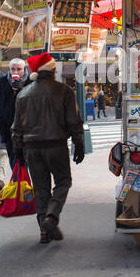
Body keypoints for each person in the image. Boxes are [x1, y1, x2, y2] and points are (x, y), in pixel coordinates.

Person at [11, 52, 84, 243]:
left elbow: (17, 127)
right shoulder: (64, 91)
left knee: (41, 188)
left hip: (32, 148)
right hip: (56, 145)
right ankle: (51, 217)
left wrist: (18, 150)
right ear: (52, 70)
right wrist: (79, 144)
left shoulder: (23, 94)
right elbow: (74, 121)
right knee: (63, 181)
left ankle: (44, 230)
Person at [0, 58, 30, 171]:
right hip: (8, 128)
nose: (16, 72)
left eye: (19, 69)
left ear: (24, 69)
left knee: (25, 157)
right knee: (13, 157)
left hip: (27, 128)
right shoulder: (1, 82)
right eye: (13, 69)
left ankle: (22, 183)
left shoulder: (30, 82)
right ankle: (19, 183)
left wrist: (20, 89)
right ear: (9, 69)